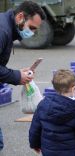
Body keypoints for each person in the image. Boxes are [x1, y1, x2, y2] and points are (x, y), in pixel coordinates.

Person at [0, 1, 46, 150]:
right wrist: (16, 76)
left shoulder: (7, 27)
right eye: (31, 28)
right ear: (20, 16)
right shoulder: (3, 31)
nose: (32, 33)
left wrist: (18, 73)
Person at [29, 69, 75, 156]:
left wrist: (34, 145)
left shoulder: (43, 104)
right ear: (74, 88)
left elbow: (35, 129)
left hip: (48, 151)